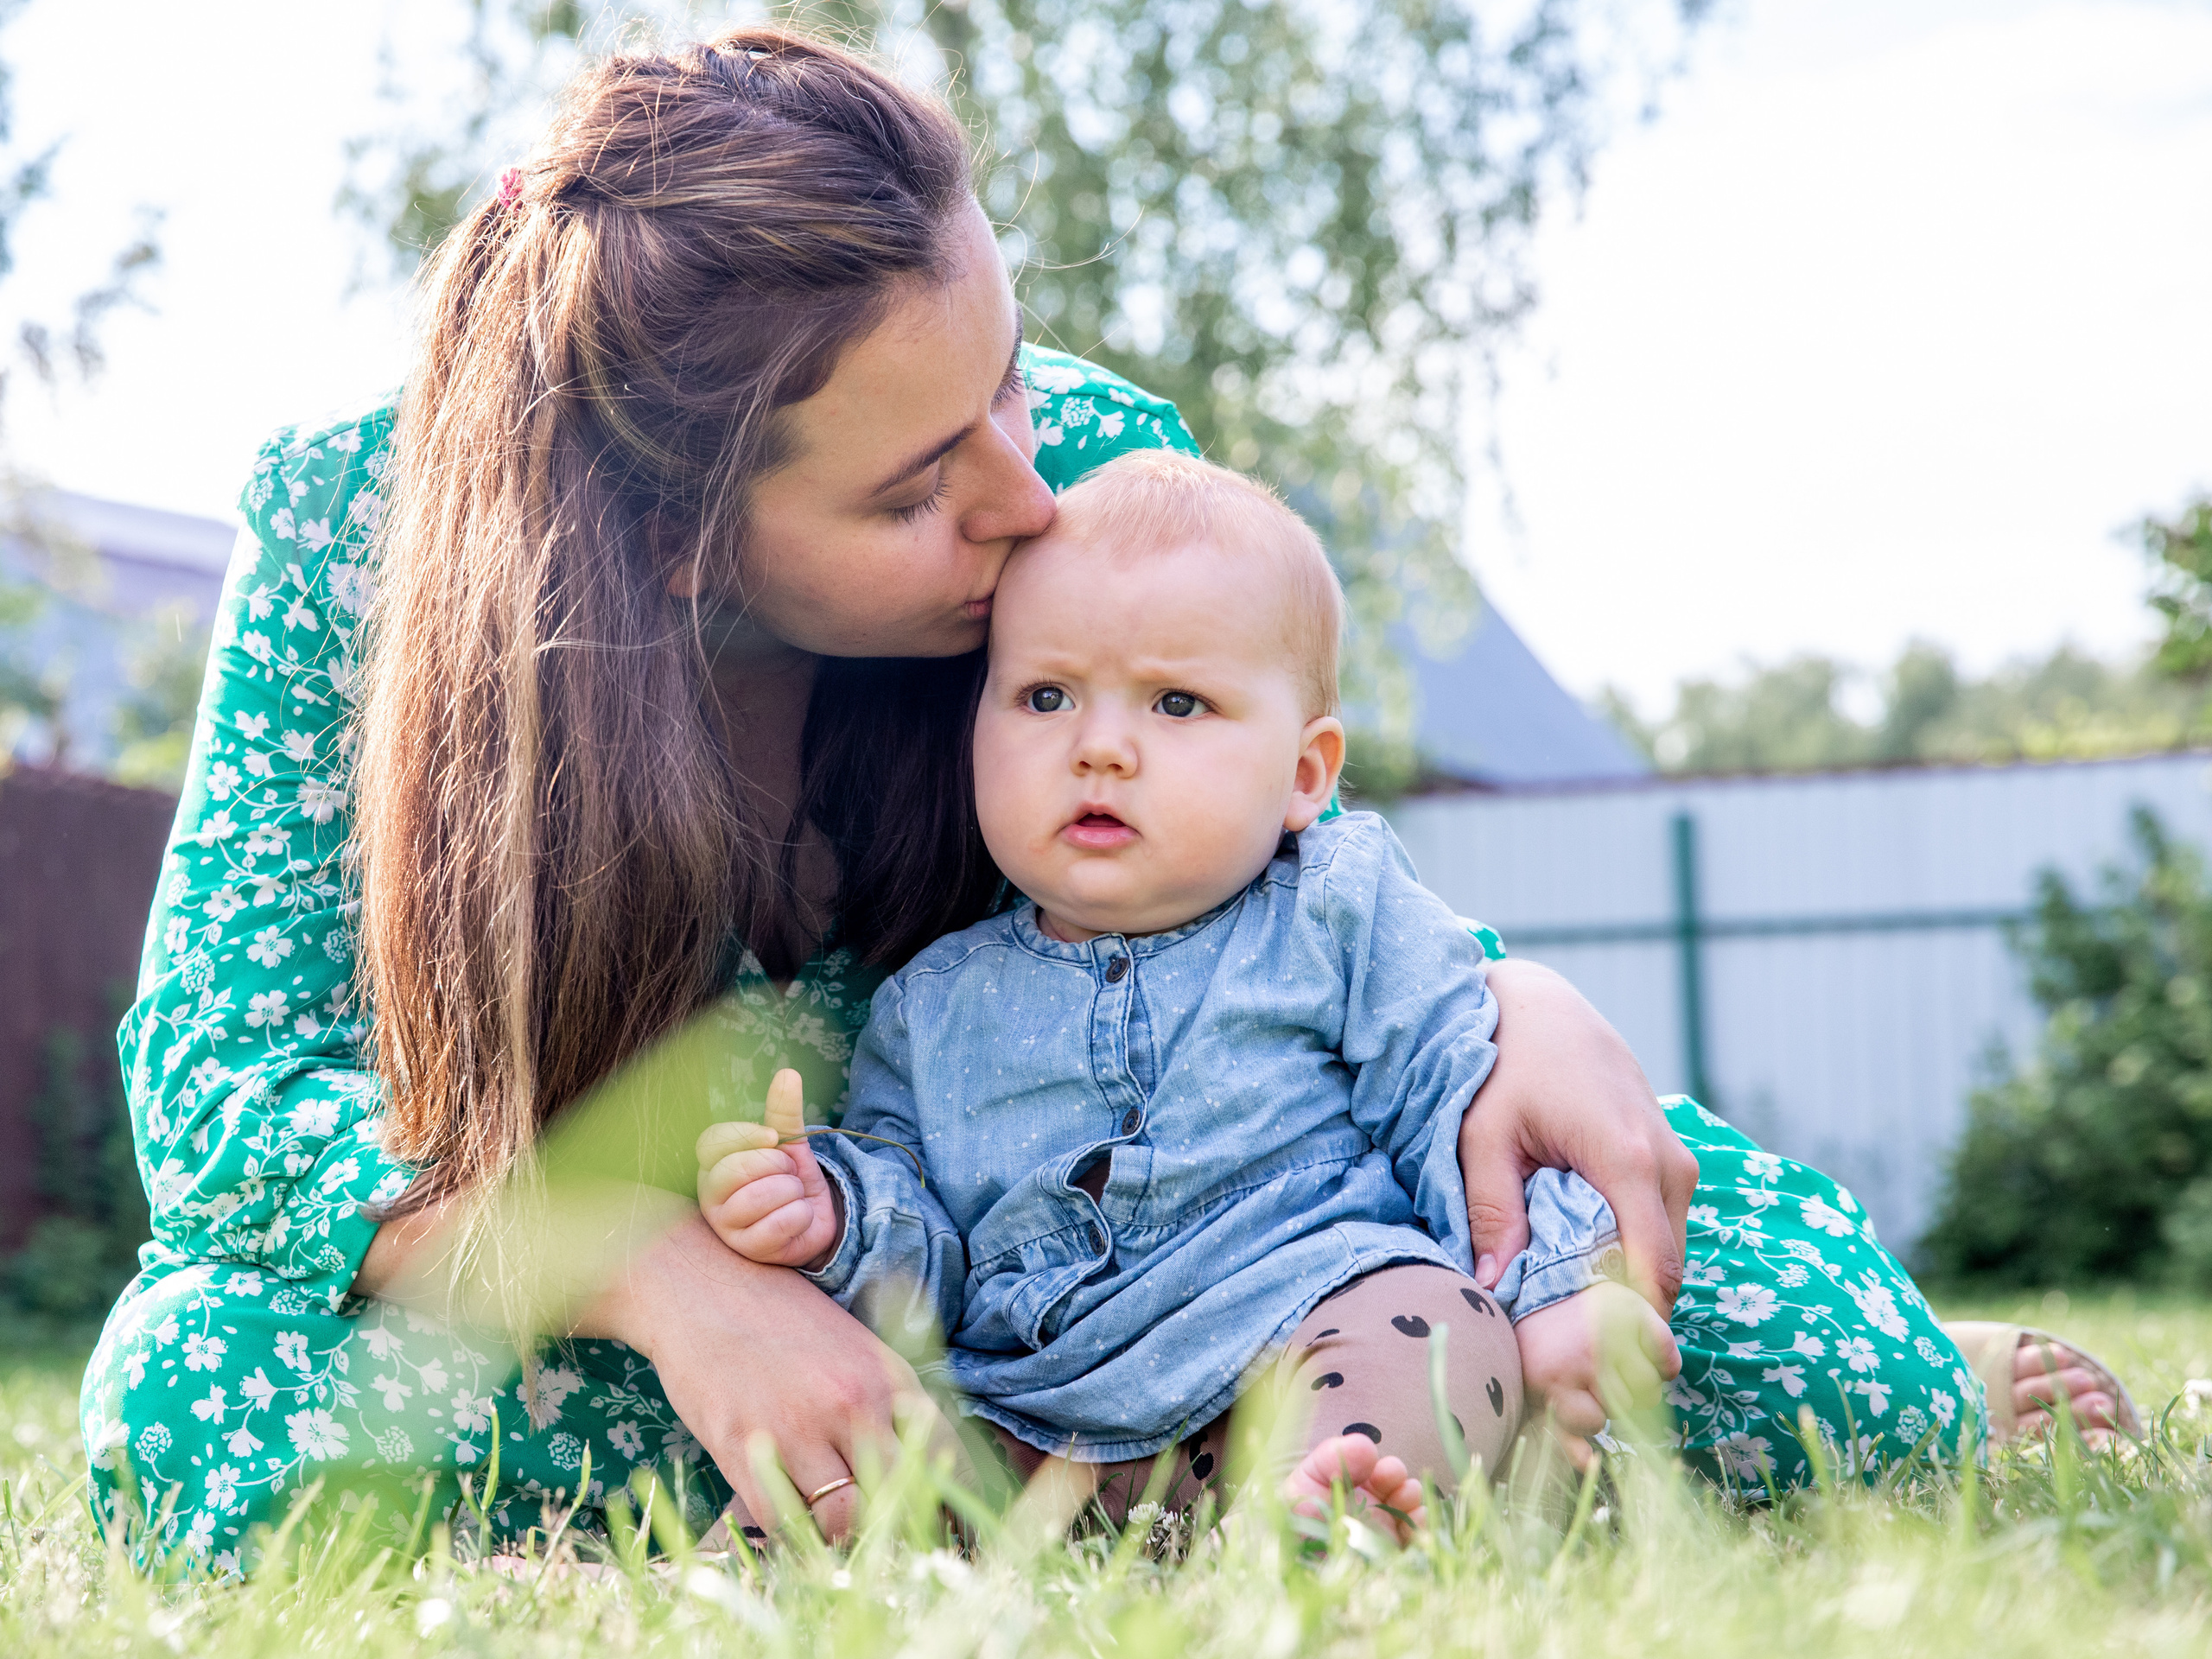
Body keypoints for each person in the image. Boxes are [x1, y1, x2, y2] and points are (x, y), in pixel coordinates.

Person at [79, 24, 2127, 1572]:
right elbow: (225, 1086)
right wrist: (661, 1280)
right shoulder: (362, 543)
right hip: (797, 1275)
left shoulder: (1080, 462)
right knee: (214, 1414)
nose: (1026, 491)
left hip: (1228, 1207)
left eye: (1003, 379)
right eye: (914, 485)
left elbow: (1262, 832)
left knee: (1784, 1358)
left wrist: (1501, 994)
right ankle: (1164, 1481)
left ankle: (1209, 1465)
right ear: (677, 541)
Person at [696, 450, 1986, 1530]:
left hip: (1305, 1328)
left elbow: (1463, 1104)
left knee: (1434, 1324)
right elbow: (923, 1237)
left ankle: (1331, 1503)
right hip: (1041, 1407)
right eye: (1043, 695)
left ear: (1307, 772)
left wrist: (1556, 1300)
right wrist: (834, 1207)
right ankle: (790, 1552)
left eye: (1179, 703)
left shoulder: (1335, 909)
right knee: (877, 1445)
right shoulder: (932, 1004)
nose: (1100, 742)